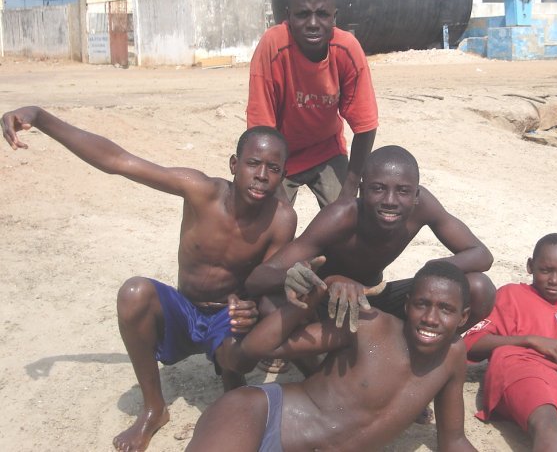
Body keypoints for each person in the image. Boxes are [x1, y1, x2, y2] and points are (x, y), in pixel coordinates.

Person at [1, 106, 297, 452]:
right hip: (184, 307)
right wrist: (40, 118)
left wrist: (248, 307)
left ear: (283, 175)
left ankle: (231, 374)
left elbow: (264, 278)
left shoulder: (281, 219)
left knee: (243, 349)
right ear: (234, 164)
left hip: (226, 318)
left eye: (273, 169)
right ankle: (154, 408)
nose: (261, 175)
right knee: (134, 292)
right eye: (253, 164)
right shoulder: (200, 190)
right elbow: (118, 161)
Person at [188, 261, 478, 452]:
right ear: (407, 305)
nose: (430, 318)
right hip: (258, 416)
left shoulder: (453, 356)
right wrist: (303, 305)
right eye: (422, 304)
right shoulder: (369, 326)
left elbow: (453, 440)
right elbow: (263, 349)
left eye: (446, 309)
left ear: (464, 317)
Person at [245, 145, 495, 333]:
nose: (390, 200)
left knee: (479, 288)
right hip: (327, 300)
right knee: (270, 306)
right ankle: (320, 373)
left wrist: (430, 272)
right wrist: (300, 278)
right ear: (362, 191)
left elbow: (481, 254)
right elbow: (258, 280)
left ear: (416, 194)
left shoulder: (424, 206)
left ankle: (425, 356)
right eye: (378, 189)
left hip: (376, 298)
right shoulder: (340, 217)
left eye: (403, 191)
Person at [463, 233, 557, 452]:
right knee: (551, 428)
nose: (554, 280)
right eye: (545, 270)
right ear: (530, 266)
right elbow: (471, 344)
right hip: (518, 369)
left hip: (553, 382)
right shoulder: (512, 294)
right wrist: (528, 340)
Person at [247, 0, 378, 207]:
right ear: (288, 16)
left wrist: (349, 188)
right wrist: (274, 195)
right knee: (267, 219)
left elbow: (366, 125)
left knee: (345, 221)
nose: (313, 23)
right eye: (303, 14)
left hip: (326, 149)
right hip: (279, 153)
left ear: (334, 18)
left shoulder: (346, 50)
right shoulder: (272, 46)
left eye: (323, 14)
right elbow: (261, 128)